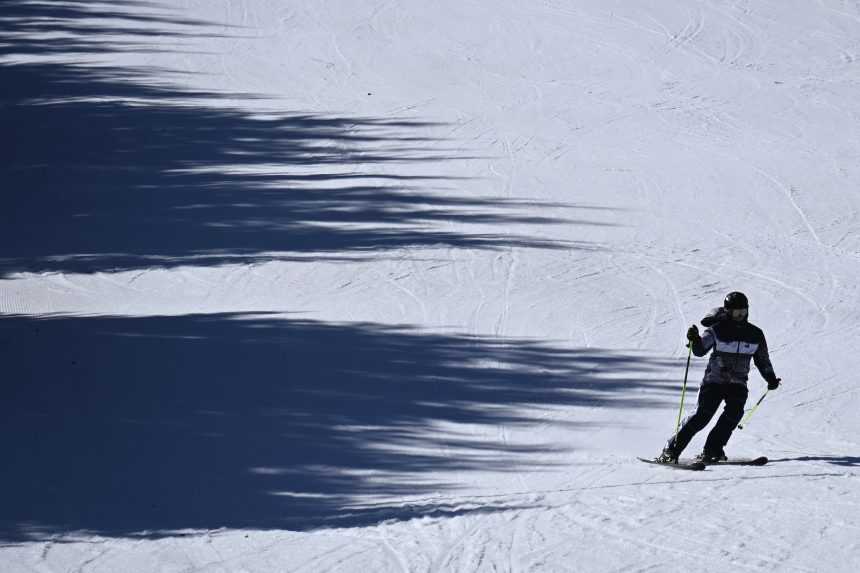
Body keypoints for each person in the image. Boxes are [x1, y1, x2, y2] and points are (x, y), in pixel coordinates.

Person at [657, 291, 781, 463]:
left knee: (733, 415)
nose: (739, 316)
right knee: (701, 416)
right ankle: (671, 450)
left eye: (743, 312)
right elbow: (700, 350)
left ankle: (713, 449)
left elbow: (762, 360)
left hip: (738, 383)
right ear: (727, 312)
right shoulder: (717, 330)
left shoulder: (755, 334)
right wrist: (694, 339)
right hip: (714, 382)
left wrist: (771, 378)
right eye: (735, 312)